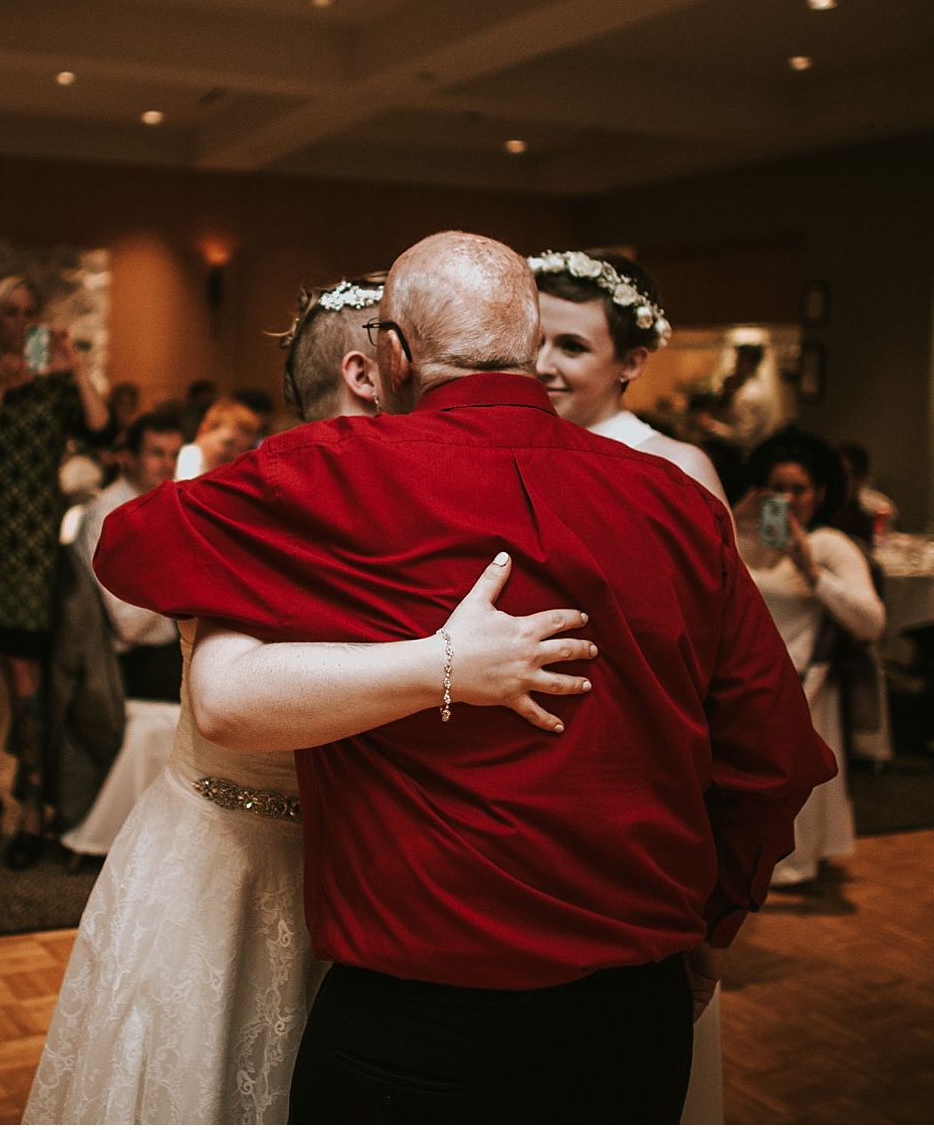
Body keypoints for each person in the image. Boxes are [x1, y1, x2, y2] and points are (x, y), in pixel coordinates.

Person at [94, 232, 835, 1123]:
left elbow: (126, 546)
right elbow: (773, 757)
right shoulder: (675, 501)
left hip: (419, 1025)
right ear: (530, 349)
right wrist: (714, 930)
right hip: (630, 1019)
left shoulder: (335, 476)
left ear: (395, 355)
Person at [30, 275, 595, 1123]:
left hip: (368, 883)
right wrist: (447, 664)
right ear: (376, 374)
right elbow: (222, 695)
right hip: (225, 873)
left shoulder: (415, 507)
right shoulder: (272, 499)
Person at [0, 275, 111, 869]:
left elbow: (100, 430)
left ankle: (32, 810)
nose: (21, 321)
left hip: (30, 550)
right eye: (10, 312)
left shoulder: (54, 379)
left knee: (26, 684)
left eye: (29, 310)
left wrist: (75, 367)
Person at [733, 430, 887, 887]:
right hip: (739, 679)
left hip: (804, 682)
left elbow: (871, 622)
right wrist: (731, 525)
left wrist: (811, 571)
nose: (787, 499)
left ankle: (790, 864)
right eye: (776, 489)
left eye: (798, 489)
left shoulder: (830, 545)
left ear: (819, 494)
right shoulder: (745, 540)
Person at [529, 248, 728, 510]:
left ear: (631, 364)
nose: (541, 366)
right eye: (534, 342)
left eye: (573, 347)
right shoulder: (512, 450)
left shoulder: (678, 469)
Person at [71, 412, 187, 702]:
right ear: (129, 457)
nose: (168, 465)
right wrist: (181, 568)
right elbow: (129, 624)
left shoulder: (164, 502)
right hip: (129, 662)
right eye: (157, 453)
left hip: (164, 646)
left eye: (174, 454)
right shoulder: (110, 517)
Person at [702, 337, 785, 450]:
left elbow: (743, 437)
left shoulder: (748, 394)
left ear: (749, 363)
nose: (735, 364)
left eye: (739, 360)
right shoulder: (754, 388)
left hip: (745, 454)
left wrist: (711, 426)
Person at [174, 399, 261, 481]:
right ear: (203, 431)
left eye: (242, 450)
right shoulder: (190, 455)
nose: (234, 455)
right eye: (228, 443)